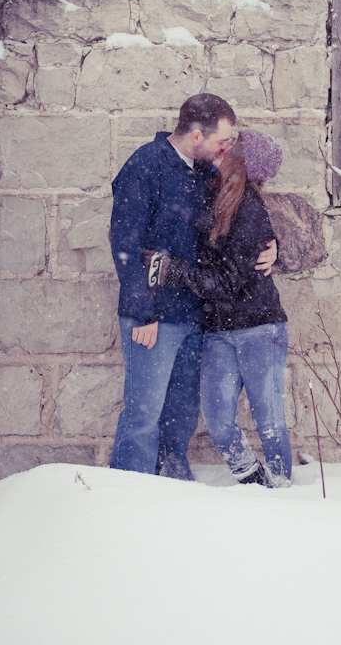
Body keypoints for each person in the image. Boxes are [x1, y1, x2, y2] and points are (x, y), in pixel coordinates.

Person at [109, 93, 277, 479]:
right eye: (224, 139)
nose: (230, 146)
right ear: (197, 136)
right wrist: (143, 312)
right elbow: (124, 243)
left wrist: (272, 248)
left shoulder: (204, 171)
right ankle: (124, 497)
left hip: (196, 315)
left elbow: (240, 219)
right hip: (154, 317)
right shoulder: (145, 166)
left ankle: (173, 487)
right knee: (143, 414)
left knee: (182, 413)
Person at [147, 129, 292, 488]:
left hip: (259, 328)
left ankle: (283, 494)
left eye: (231, 147)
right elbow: (178, 145)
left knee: (269, 420)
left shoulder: (249, 210)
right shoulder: (212, 193)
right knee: (218, 423)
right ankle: (255, 483)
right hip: (217, 329)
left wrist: (174, 270)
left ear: (241, 163)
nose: (222, 149)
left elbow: (228, 282)